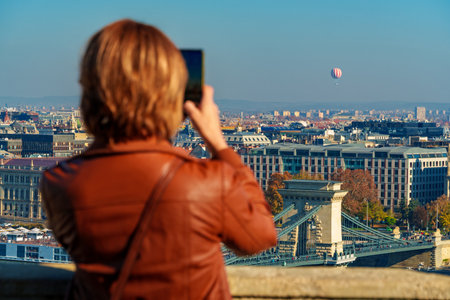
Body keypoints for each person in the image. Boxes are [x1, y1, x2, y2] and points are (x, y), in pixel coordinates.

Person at [40, 19, 277, 300]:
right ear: (171, 97)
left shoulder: (60, 183)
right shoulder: (207, 181)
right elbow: (260, 237)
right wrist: (219, 145)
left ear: (90, 92)